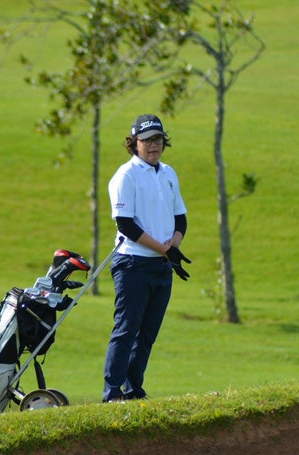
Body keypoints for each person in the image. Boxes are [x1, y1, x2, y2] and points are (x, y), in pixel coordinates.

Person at [102, 113, 192, 402]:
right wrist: (164, 249)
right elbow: (126, 225)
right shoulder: (125, 176)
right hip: (132, 264)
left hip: (161, 265)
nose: (154, 145)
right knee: (126, 330)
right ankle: (112, 392)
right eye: (147, 140)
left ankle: (133, 390)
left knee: (148, 333)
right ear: (134, 143)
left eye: (158, 139)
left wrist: (174, 245)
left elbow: (181, 217)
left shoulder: (168, 173)